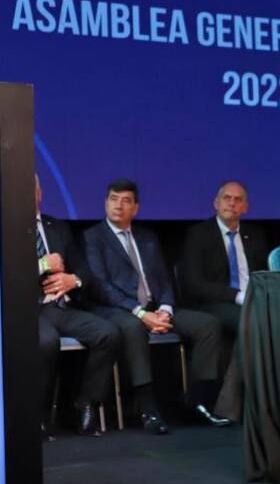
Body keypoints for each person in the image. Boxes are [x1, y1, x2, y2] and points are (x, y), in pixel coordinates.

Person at [83, 179, 229, 434]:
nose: (119, 205)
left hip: (154, 307)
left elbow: (163, 279)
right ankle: (147, 408)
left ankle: (198, 402)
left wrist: (166, 309)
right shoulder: (93, 237)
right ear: (105, 203)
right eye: (114, 199)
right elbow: (100, 285)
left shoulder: (147, 237)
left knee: (207, 324)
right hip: (118, 310)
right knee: (133, 327)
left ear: (136, 208)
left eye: (126, 200)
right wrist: (140, 312)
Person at [34, 176, 119, 438]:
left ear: (39, 192)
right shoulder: (3, 224)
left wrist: (74, 280)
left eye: (31, 186)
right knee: (46, 342)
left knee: (108, 333)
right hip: (27, 310)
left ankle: (84, 405)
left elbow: (85, 272)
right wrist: (42, 266)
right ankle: (37, 416)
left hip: (62, 307)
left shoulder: (57, 227)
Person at [178, 181, 269, 329]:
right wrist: (236, 295)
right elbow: (194, 284)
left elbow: (264, 274)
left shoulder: (255, 234)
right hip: (214, 303)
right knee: (249, 318)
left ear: (245, 208)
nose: (232, 203)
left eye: (238, 199)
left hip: (252, 299)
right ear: (216, 203)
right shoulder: (198, 234)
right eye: (227, 198)